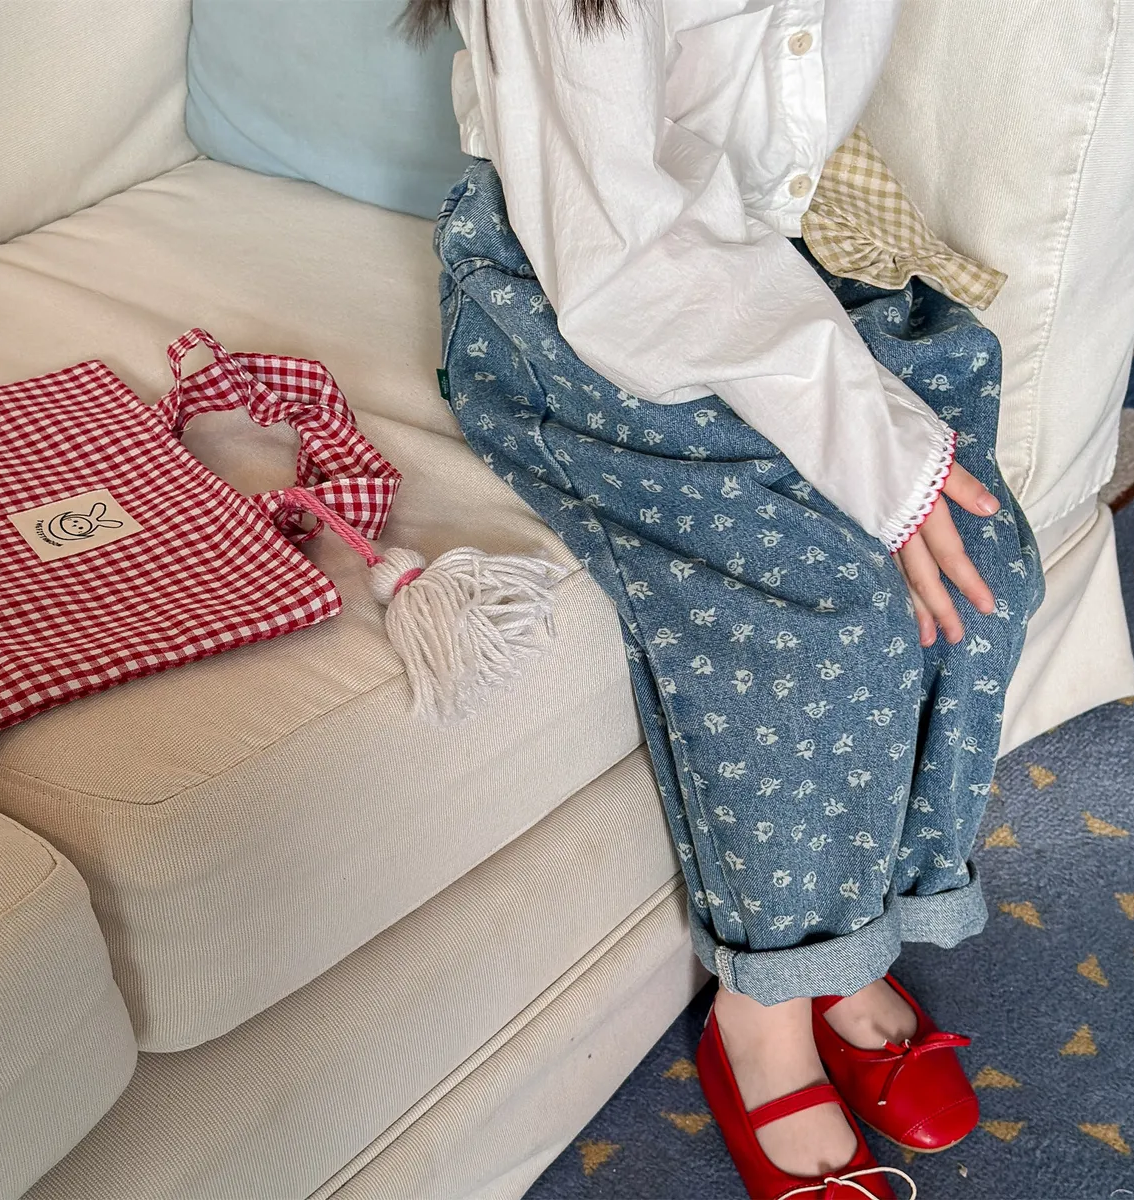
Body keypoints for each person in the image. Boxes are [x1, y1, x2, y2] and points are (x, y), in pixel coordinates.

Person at [407, 2, 1044, 1196]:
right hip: (576, 290)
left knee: (985, 575)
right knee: (826, 615)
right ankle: (765, 1010)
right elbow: (619, 251)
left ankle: (855, 940)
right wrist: (873, 452)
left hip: (758, 266)